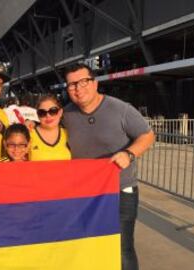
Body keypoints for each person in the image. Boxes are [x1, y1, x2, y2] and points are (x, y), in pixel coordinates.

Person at [62, 63, 155, 270]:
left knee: (122, 247)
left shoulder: (120, 109)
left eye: (83, 82)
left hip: (121, 190)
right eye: (71, 85)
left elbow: (148, 135)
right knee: (89, 244)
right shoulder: (65, 115)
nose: (78, 88)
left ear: (95, 83)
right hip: (84, 193)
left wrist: (129, 154)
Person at [29, 94, 71, 161]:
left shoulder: (68, 133)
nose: (48, 116)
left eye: (53, 111)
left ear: (60, 112)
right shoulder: (29, 134)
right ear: (37, 115)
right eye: (42, 112)